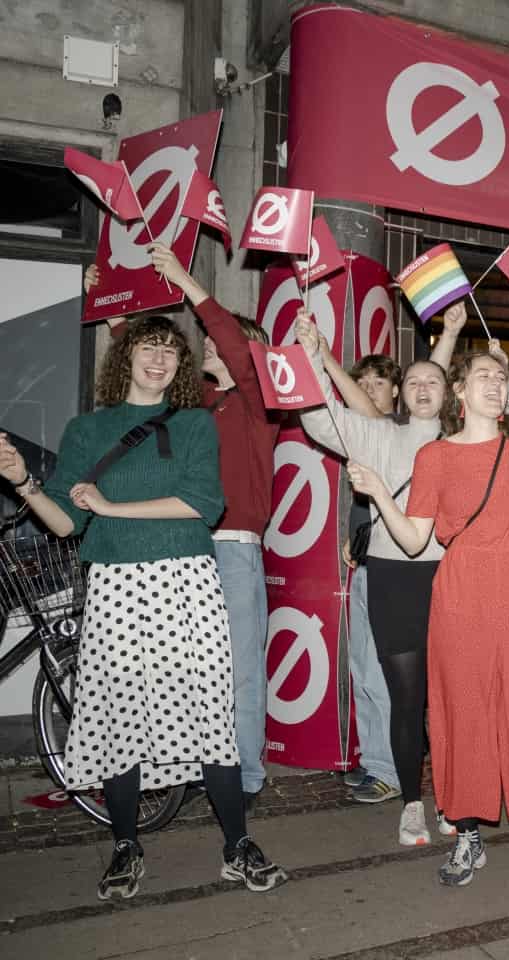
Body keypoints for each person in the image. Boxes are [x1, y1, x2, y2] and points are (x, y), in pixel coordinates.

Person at [0, 316, 285, 900]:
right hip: (116, 587)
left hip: (189, 583)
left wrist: (110, 506)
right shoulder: (87, 429)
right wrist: (24, 481)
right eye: (148, 347)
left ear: (181, 366)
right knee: (120, 717)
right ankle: (126, 846)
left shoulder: (195, 422)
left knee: (212, 716)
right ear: (125, 356)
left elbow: (203, 504)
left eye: (170, 351)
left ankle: (237, 844)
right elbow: (65, 522)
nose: (159, 359)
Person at [349, 345, 509, 886]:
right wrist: (379, 495)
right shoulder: (434, 457)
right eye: (482, 376)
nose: (495, 384)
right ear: (460, 392)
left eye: (499, 377)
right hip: (461, 588)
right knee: (463, 709)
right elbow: (415, 539)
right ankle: (467, 835)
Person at [87, 249, 278, 809]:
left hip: (233, 552)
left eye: (217, 338)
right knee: (188, 670)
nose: (207, 342)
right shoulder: (200, 407)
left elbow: (239, 350)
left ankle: (244, 778)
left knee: (239, 672)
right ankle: (201, 766)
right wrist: (113, 309)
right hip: (183, 549)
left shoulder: (259, 403)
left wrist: (187, 283)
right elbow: (150, 373)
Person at [294, 305, 462, 845]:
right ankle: (411, 803)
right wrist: (310, 354)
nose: (422, 388)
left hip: (453, 578)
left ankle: (455, 799)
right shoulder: (378, 435)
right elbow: (319, 418)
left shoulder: (464, 443)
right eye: (412, 382)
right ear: (401, 394)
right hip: (393, 578)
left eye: (432, 381)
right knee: (406, 699)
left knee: (452, 698)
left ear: (447, 392)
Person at [337, 353, 403, 805]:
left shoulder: (398, 429)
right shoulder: (362, 437)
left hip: (392, 568)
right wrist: (351, 534)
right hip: (365, 564)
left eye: (378, 383)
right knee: (362, 670)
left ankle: (389, 769)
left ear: (395, 391)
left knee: (381, 673)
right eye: (361, 383)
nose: (368, 391)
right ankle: (375, 756)